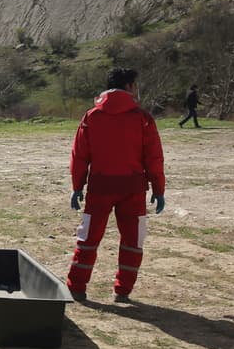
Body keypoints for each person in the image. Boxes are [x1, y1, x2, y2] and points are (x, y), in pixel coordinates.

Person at [67, 67, 165, 304]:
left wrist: (77, 186)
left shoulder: (92, 117)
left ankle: (77, 287)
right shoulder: (142, 118)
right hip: (133, 188)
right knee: (133, 240)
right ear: (130, 86)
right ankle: (122, 291)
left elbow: (79, 155)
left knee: (88, 237)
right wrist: (158, 189)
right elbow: (153, 157)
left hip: (100, 186)